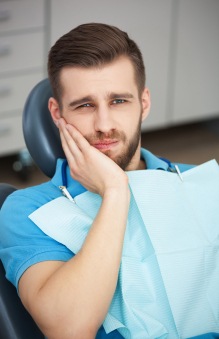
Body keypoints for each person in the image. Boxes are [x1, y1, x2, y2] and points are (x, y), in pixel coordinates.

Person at [0, 23, 218, 339]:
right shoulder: (26, 211)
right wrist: (115, 191)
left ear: (144, 103)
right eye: (85, 105)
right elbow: (69, 329)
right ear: (57, 113)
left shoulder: (203, 186)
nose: (104, 125)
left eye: (118, 101)